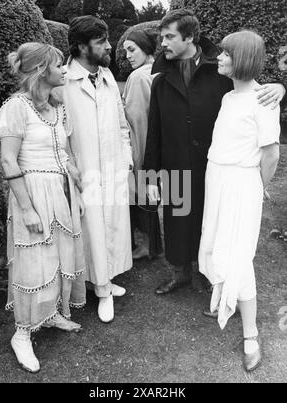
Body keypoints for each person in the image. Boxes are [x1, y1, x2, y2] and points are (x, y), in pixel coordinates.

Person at [143, 8, 286, 296]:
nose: (164, 44)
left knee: (212, 222)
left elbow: (252, 91)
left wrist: (281, 87)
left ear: (190, 37)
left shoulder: (222, 72)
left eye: (169, 37)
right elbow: (153, 132)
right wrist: (149, 178)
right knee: (176, 221)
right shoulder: (159, 81)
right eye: (162, 37)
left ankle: (210, 274)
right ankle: (180, 273)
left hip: (215, 168)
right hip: (174, 167)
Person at [0, 43, 87, 373]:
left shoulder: (56, 107)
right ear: (40, 71)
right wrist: (27, 209)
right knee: (34, 260)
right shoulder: (16, 108)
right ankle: (21, 335)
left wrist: (74, 176)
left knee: (59, 255)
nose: (64, 70)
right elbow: (8, 159)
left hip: (59, 192)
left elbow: (61, 151)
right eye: (58, 65)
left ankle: (51, 315)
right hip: (31, 192)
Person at [198, 30, 280, 372]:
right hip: (217, 180)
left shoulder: (262, 99)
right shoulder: (229, 97)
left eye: (226, 54)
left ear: (242, 58)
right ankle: (223, 298)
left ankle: (251, 335)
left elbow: (271, 154)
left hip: (241, 184)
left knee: (238, 258)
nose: (219, 57)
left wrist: (255, 186)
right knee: (216, 246)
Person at [55, 16, 133, 323]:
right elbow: (56, 132)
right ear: (81, 46)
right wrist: (69, 167)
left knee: (111, 225)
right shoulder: (62, 80)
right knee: (92, 231)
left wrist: (125, 157)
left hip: (112, 166)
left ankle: (107, 280)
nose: (109, 46)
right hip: (82, 170)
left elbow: (122, 122)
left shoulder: (109, 77)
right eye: (101, 41)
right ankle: (101, 291)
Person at [122, 30, 163, 260]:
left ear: (146, 48)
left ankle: (148, 246)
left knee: (142, 196)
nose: (127, 55)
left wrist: (137, 158)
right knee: (150, 196)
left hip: (142, 144)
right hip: (157, 145)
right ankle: (152, 245)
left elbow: (136, 120)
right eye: (125, 50)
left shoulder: (138, 77)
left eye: (132, 49)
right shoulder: (158, 71)